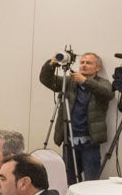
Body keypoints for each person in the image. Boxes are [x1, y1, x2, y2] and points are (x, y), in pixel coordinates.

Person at [39, 52, 112, 183]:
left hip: (90, 142)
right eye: (82, 62)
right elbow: (46, 80)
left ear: (97, 68)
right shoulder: (69, 82)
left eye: (88, 63)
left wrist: (85, 81)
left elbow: (107, 94)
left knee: (91, 182)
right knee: (69, 180)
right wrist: (51, 64)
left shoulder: (103, 83)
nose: (83, 65)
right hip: (69, 139)